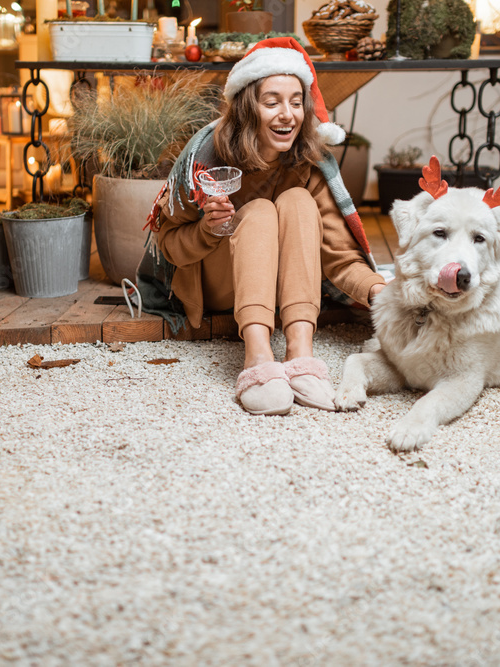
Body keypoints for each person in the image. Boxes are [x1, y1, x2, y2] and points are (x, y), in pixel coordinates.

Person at [143, 37, 387, 416]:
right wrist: (209, 229)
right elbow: (169, 245)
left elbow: (338, 255)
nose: (286, 114)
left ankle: (300, 354)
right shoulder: (207, 158)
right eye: (271, 102)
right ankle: (256, 357)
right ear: (247, 108)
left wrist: (380, 291)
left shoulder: (309, 162)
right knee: (257, 211)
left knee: (297, 201)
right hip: (220, 283)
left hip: (279, 287)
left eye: (295, 102)